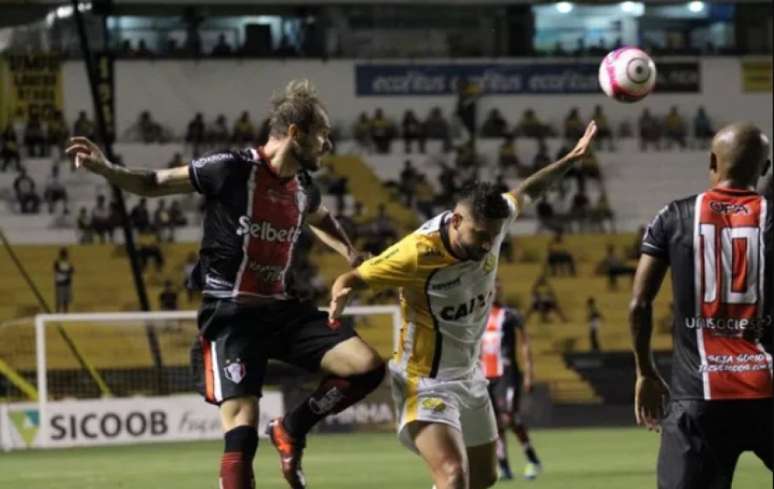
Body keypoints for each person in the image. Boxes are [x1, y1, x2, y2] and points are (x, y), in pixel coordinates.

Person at [66, 79, 385, 489]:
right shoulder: (231, 169)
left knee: (367, 367)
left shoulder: (303, 186)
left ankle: (290, 428)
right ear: (295, 133)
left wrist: (349, 253)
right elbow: (153, 184)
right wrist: (107, 169)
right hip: (230, 313)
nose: (327, 144)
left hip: (279, 308)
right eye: (322, 134)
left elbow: (320, 218)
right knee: (241, 431)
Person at [328, 122, 597, 489]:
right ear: (456, 221)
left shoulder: (495, 217)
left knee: (482, 478)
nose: (488, 245)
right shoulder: (415, 253)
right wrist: (341, 293)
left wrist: (570, 159)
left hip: (470, 377)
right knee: (454, 476)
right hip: (424, 380)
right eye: (479, 236)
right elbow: (355, 277)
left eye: (492, 236)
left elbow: (528, 190)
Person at [630, 122, 772, 489]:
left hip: (698, 399)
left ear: (712, 161)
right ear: (765, 169)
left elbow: (639, 304)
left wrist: (645, 371)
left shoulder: (672, 216)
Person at [480, 280, 541, 481]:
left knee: (510, 417)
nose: (495, 291)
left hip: (507, 372)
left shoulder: (509, 315)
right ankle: (503, 465)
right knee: (494, 424)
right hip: (485, 375)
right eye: (491, 288)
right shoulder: (477, 316)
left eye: (498, 288)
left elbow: (525, 342)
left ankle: (532, 459)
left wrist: (529, 371)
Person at [53, 248, 74, 313]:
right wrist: (66, 272)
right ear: (60, 255)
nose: (65, 256)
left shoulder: (68, 263)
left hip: (67, 283)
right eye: (63, 254)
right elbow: (57, 270)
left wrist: (67, 272)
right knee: (59, 300)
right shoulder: (57, 262)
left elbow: (72, 270)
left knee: (66, 301)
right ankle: (57, 313)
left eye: (65, 254)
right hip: (60, 284)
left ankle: (65, 314)